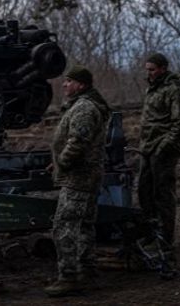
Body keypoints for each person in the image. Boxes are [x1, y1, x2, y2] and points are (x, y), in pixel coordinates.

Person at [45, 65, 110, 298]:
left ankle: (69, 277)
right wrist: (58, 161)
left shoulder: (83, 108)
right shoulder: (82, 105)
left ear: (81, 85)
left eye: (69, 81)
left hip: (79, 177)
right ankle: (88, 273)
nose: (64, 85)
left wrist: (62, 161)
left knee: (64, 226)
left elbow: (78, 142)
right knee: (84, 225)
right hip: (86, 174)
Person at [138, 52, 180, 277]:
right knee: (144, 194)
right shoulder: (153, 88)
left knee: (163, 198)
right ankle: (151, 237)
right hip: (147, 150)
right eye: (147, 69)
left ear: (163, 68)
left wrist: (162, 147)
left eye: (152, 69)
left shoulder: (173, 90)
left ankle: (166, 244)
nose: (148, 73)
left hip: (162, 152)